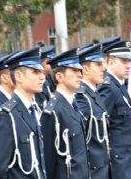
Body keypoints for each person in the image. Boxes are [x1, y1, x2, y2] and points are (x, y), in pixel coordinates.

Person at [98, 40, 131, 179]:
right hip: (118, 163)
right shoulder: (107, 88)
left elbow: (129, 126)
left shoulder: (120, 86)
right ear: (111, 62)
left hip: (129, 160)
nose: (129, 65)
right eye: (124, 61)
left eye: (129, 61)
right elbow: (101, 128)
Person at [0, 47, 46, 179]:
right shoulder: (7, 115)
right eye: (35, 72)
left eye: (41, 72)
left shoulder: (34, 109)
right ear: (19, 76)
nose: (42, 77)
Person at [40, 48, 90, 179]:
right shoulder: (53, 111)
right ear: (59, 76)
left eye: (80, 70)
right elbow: (49, 161)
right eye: (74, 70)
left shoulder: (73, 104)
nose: (80, 74)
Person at [75, 44, 111, 179]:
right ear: (85, 69)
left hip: (103, 167)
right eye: (98, 64)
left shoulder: (93, 93)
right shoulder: (82, 97)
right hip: (93, 170)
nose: (103, 68)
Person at [35, 45, 56, 110]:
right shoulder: (38, 83)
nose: (54, 64)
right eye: (51, 61)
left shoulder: (46, 79)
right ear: (43, 63)